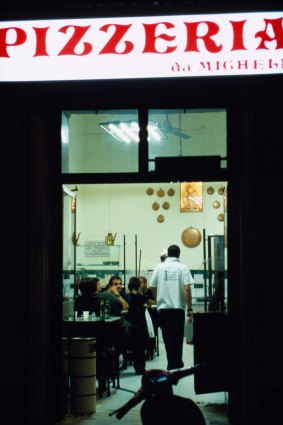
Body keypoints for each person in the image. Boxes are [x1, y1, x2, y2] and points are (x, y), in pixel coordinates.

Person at [149, 244, 194, 370]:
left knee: (167, 337)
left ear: (168, 254)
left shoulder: (159, 267)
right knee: (178, 337)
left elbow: (152, 287)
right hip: (178, 308)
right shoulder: (183, 268)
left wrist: (158, 300)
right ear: (179, 254)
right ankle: (178, 363)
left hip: (163, 309)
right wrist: (189, 308)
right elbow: (187, 288)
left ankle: (171, 363)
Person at [98, 275, 147, 375]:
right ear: (110, 285)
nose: (119, 286)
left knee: (139, 333)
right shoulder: (105, 295)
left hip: (120, 325)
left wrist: (117, 295)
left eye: (120, 284)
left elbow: (125, 307)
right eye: (116, 284)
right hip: (108, 327)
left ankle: (139, 367)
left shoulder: (125, 295)